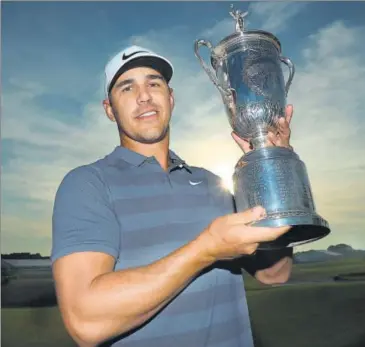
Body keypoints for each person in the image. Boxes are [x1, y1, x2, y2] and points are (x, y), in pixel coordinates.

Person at [51, 45, 295, 347]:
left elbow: (275, 273)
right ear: (109, 110)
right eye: (127, 88)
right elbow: (85, 321)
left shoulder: (214, 184)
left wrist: (272, 170)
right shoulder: (88, 184)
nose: (144, 96)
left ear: (171, 98)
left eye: (154, 83)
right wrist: (206, 250)